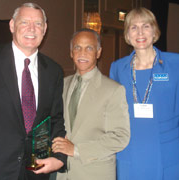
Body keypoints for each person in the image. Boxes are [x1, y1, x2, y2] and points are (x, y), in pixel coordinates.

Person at [0, 2, 66, 180]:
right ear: (12, 25)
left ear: (45, 29)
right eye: (24, 22)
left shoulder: (54, 71)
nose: (31, 29)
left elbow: (56, 119)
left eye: (38, 24)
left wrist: (59, 157)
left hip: (37, 169)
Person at [110, 7, 179, 180]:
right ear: (127, 34)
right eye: (134, 27)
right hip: (129, 149)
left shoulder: (175, 64)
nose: (140, 32)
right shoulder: (118, 68)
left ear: (154, 30)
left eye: (146, 26)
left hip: (166, 150)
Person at [52, 28, 130, 180]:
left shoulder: (113, 90)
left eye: (89, 48)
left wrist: (77, 150)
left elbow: (120, 137)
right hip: (62, 173)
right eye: (77, 47)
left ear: (98, 52)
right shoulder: (62, 85)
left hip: (94, 173)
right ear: (71, 52)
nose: (82, 53)